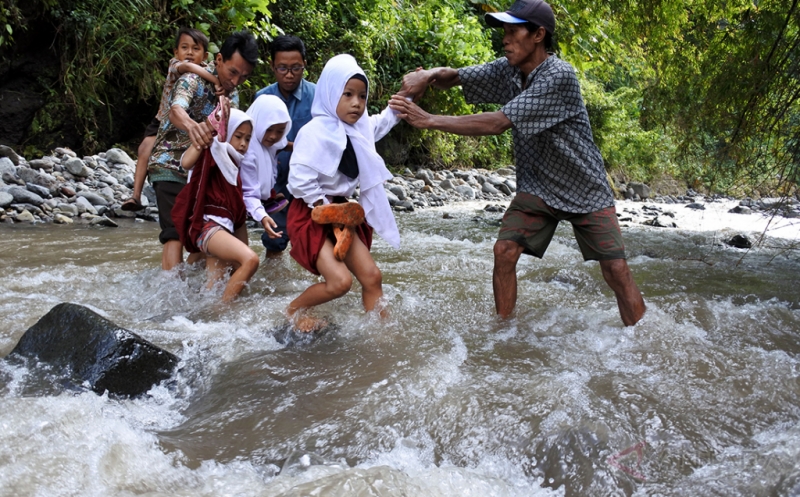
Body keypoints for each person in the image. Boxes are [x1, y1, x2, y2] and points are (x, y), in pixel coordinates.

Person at [389, 0, 646, 326]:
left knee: (616, 270)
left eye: (513, 32)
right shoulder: (509, 70)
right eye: (504, 32)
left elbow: (497, 123)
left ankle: (639, 338)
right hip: (538, 184)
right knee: (505, 251)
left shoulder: (559, 76)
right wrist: (427, 75)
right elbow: (457, 77)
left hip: (585, 187)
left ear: (538, 34)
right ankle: (504, 331)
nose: (505, 39)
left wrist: (428, 120)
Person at [285, 54, 401, 331]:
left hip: (342, 212)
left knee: (372, 276)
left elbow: (382, 122)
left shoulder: (358, 129)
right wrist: (325, 208)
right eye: (347, 94)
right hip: (312, 211)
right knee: (340, 282)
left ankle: (382, 337)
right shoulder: (314, 131)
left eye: (362, 96)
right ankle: (292, 311)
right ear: (329, 93)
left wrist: (407, 97)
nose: (356, 103)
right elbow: (299, 179)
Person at [147, 30, 258, 271]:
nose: (236, 81)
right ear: (218, 60)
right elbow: (176, 110)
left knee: (208, 232)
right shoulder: (191, 79)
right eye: (233, 72)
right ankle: (169, 296)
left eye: (244, 76)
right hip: (171, 163)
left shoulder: (233, 94)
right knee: (175, 233)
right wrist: (193, 128)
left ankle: (202, 292)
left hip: (202, 172)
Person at [121, 27, 223, 213]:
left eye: (196, 49)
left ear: (206, 55)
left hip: (186, 124)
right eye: (184, 47)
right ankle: (135, 195)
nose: (189, 53)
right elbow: (190, 67)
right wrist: (215, 81)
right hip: (164, 119)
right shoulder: (175, 65)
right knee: (144, 149)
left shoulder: (210, 69)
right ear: (176, 52)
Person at [171, 106, 260, 302]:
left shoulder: (234, 164)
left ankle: (206, 320)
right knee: (250, 260)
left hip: (221, 231)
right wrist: (208, 131)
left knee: (214, 289)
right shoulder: (211, 149)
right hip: (207, 228)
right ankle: (223, 312)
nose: (243, 144)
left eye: (247, 138)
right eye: (238, 136)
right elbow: (185, 163)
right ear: (224, 133)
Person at [252, 35, 317, 255]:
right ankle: (275, 282)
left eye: (296, 68)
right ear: (272, 66)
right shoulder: (262, 98)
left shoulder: (317, 97)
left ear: (304, 65)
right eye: (282, 68)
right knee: (275, 239)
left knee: (311, 239)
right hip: (275, 181)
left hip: (310, 180)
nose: (289, 75)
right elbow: (254, 141)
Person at [241, 95, 292, 246]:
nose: (273, 136)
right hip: (227, 208)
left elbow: (281, 144)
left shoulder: (269, 143)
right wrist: (262, 217)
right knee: (242, 259)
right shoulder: (247, 150)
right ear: (257, 123)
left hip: (242, 209)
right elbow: (248, 192)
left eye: (280, 131)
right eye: (268, 129)